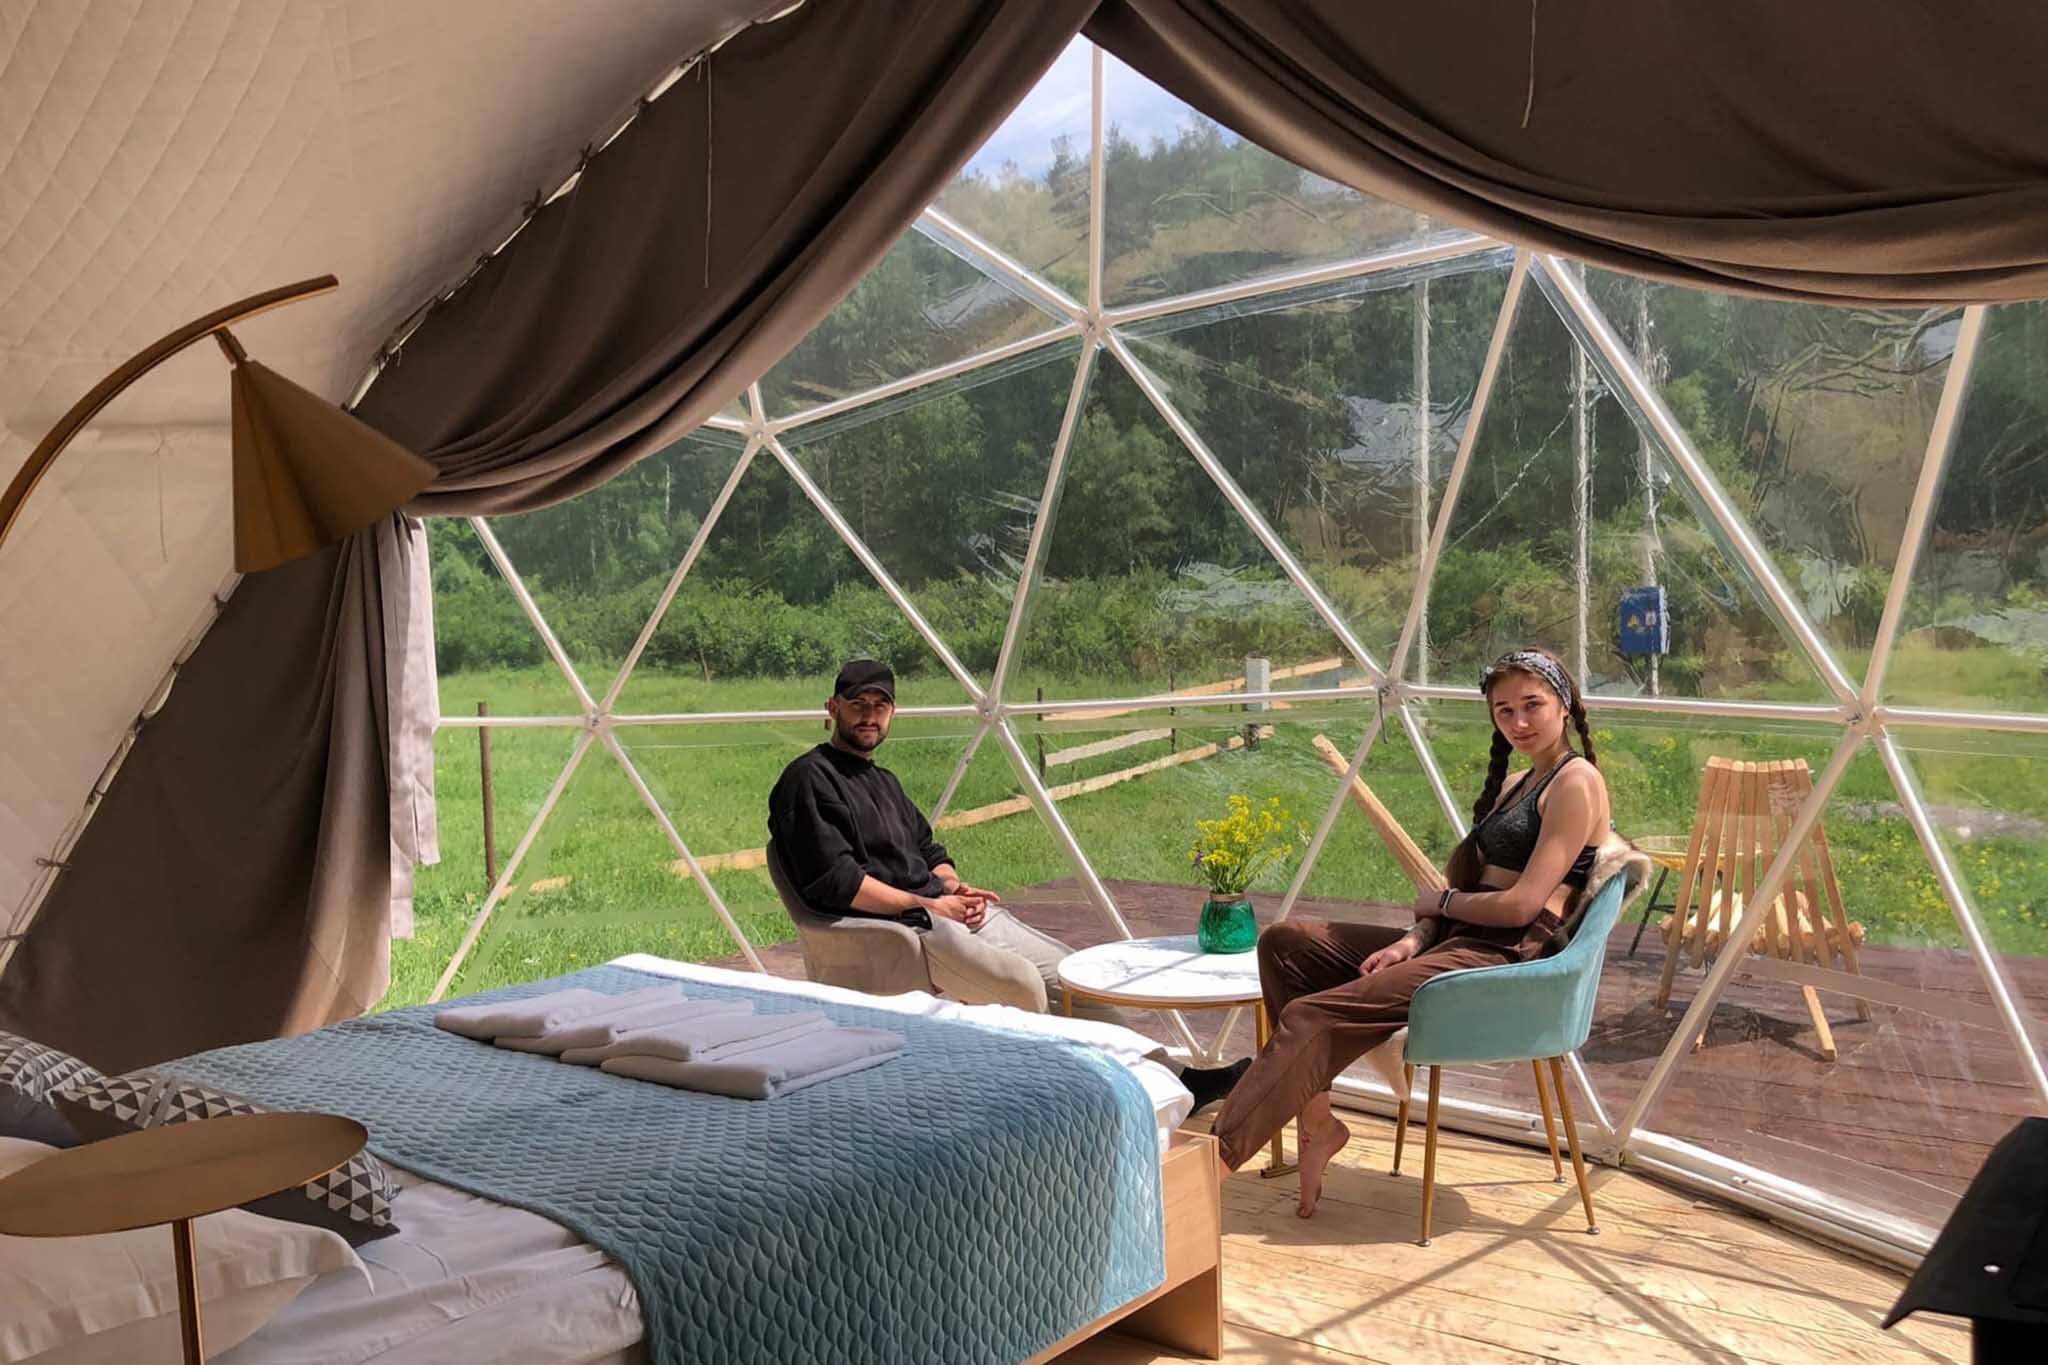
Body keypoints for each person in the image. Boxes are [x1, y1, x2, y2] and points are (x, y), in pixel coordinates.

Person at [1210, 647, 1612, 1216]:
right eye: (1504, 711)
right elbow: (1473, 888)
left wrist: (1440, 902)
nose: (1519, 722)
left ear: (1564, 704)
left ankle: (1207, 1168)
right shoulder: (1521, 780)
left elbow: (1523, 906)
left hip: (1504, 957)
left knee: (1312, 1015)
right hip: (1460, 938)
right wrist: (1414, 939)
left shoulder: (1575, 783)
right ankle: (1318, 1124)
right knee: (1288, 944)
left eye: (1532, 706)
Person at [767, 658, 1250, 1110]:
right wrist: (930, 906)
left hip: (943, 912)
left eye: (881, 705)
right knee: (1022, 987)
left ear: (893, 713)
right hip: (905, 929)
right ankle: (1061, 1107)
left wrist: (954, 888)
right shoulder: (809, 779)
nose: (870, 716)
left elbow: (930, 852)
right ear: (832, 708)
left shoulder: (884, 781)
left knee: (1069, 978)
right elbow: (838, 883)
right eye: (858, 704)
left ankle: (1171, 1079)